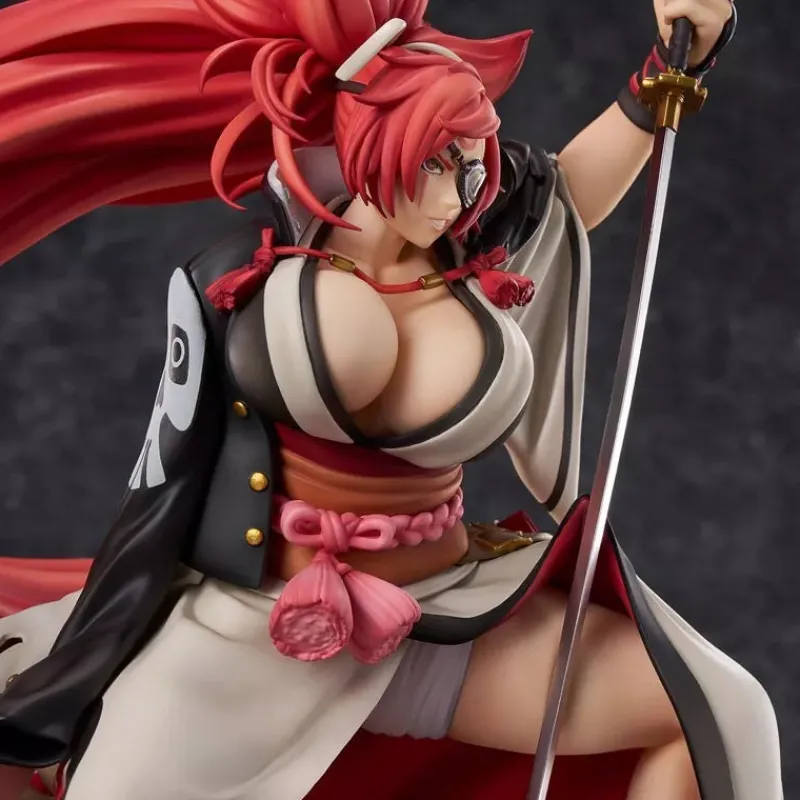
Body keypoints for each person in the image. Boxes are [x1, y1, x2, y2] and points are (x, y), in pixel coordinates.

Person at [0, 0, 782, 798]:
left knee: (716, 712)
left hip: (443, 620)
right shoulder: (243, 282)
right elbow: (163, 479)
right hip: (258, 626)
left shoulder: (477, 250)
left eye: (470, 166)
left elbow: (571, 192)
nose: (454, 195)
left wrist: (670, 67)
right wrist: (94, 647)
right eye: (435, 163)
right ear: (373, 146)